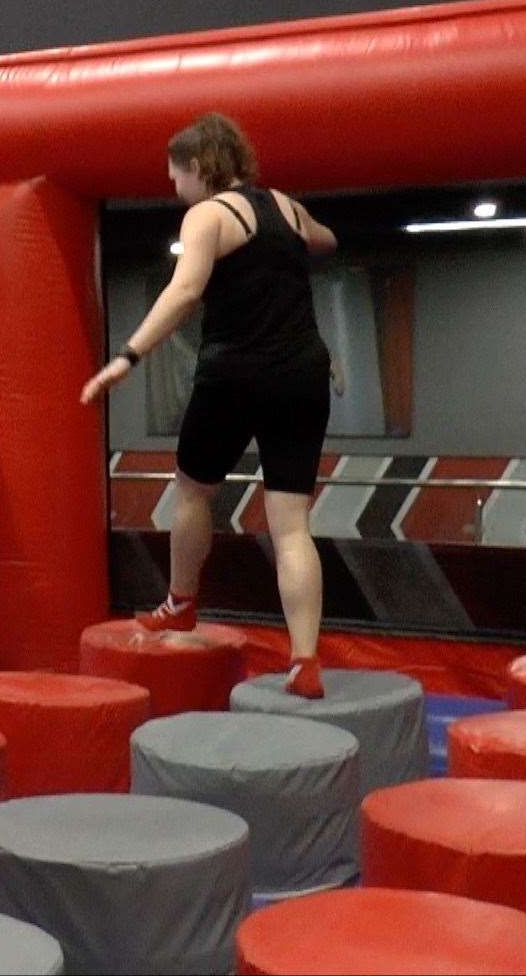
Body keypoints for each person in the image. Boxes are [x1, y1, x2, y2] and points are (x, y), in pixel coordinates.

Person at [81, 113, 337, 699]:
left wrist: (127, 356)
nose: (175, 189)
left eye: (176, 177)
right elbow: (326, 238)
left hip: (236, 374)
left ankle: (181, 602)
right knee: (292, 525)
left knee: (193, 488)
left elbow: (185, 291)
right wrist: (299, 237)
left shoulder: (208, 215)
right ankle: (305, 662)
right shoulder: (288, 208)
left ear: (199, 168)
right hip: (303, 374)